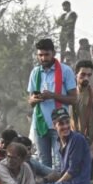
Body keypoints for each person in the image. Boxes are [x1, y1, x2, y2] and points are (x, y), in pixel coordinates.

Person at [37, 108, 92, 184]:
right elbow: (63, 171)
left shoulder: (77, 139)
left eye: (67, 122)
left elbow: (72, 171)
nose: (66, 126)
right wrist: (48, 180)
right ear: (54, 125)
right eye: (61, 123)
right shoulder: (60, 143)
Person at [27, 38, 78, 168]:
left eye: (46, 54)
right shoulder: (35, 72)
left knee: (60, 163)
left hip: (60, 124)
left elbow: (74, 99)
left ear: (53, 53)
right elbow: (30, 101)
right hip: (40, 124)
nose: (43, 58)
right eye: (40, 55)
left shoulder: (66, 71)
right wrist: (35, 99)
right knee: (43, 164)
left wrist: (52, 96)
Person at [71, 60, 93, 151]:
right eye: (83, 74)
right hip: (72, 142)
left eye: (89, 75)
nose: (86, 78)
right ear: (76, 74)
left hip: (88, 144)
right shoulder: (69, 93)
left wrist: (92, 148)